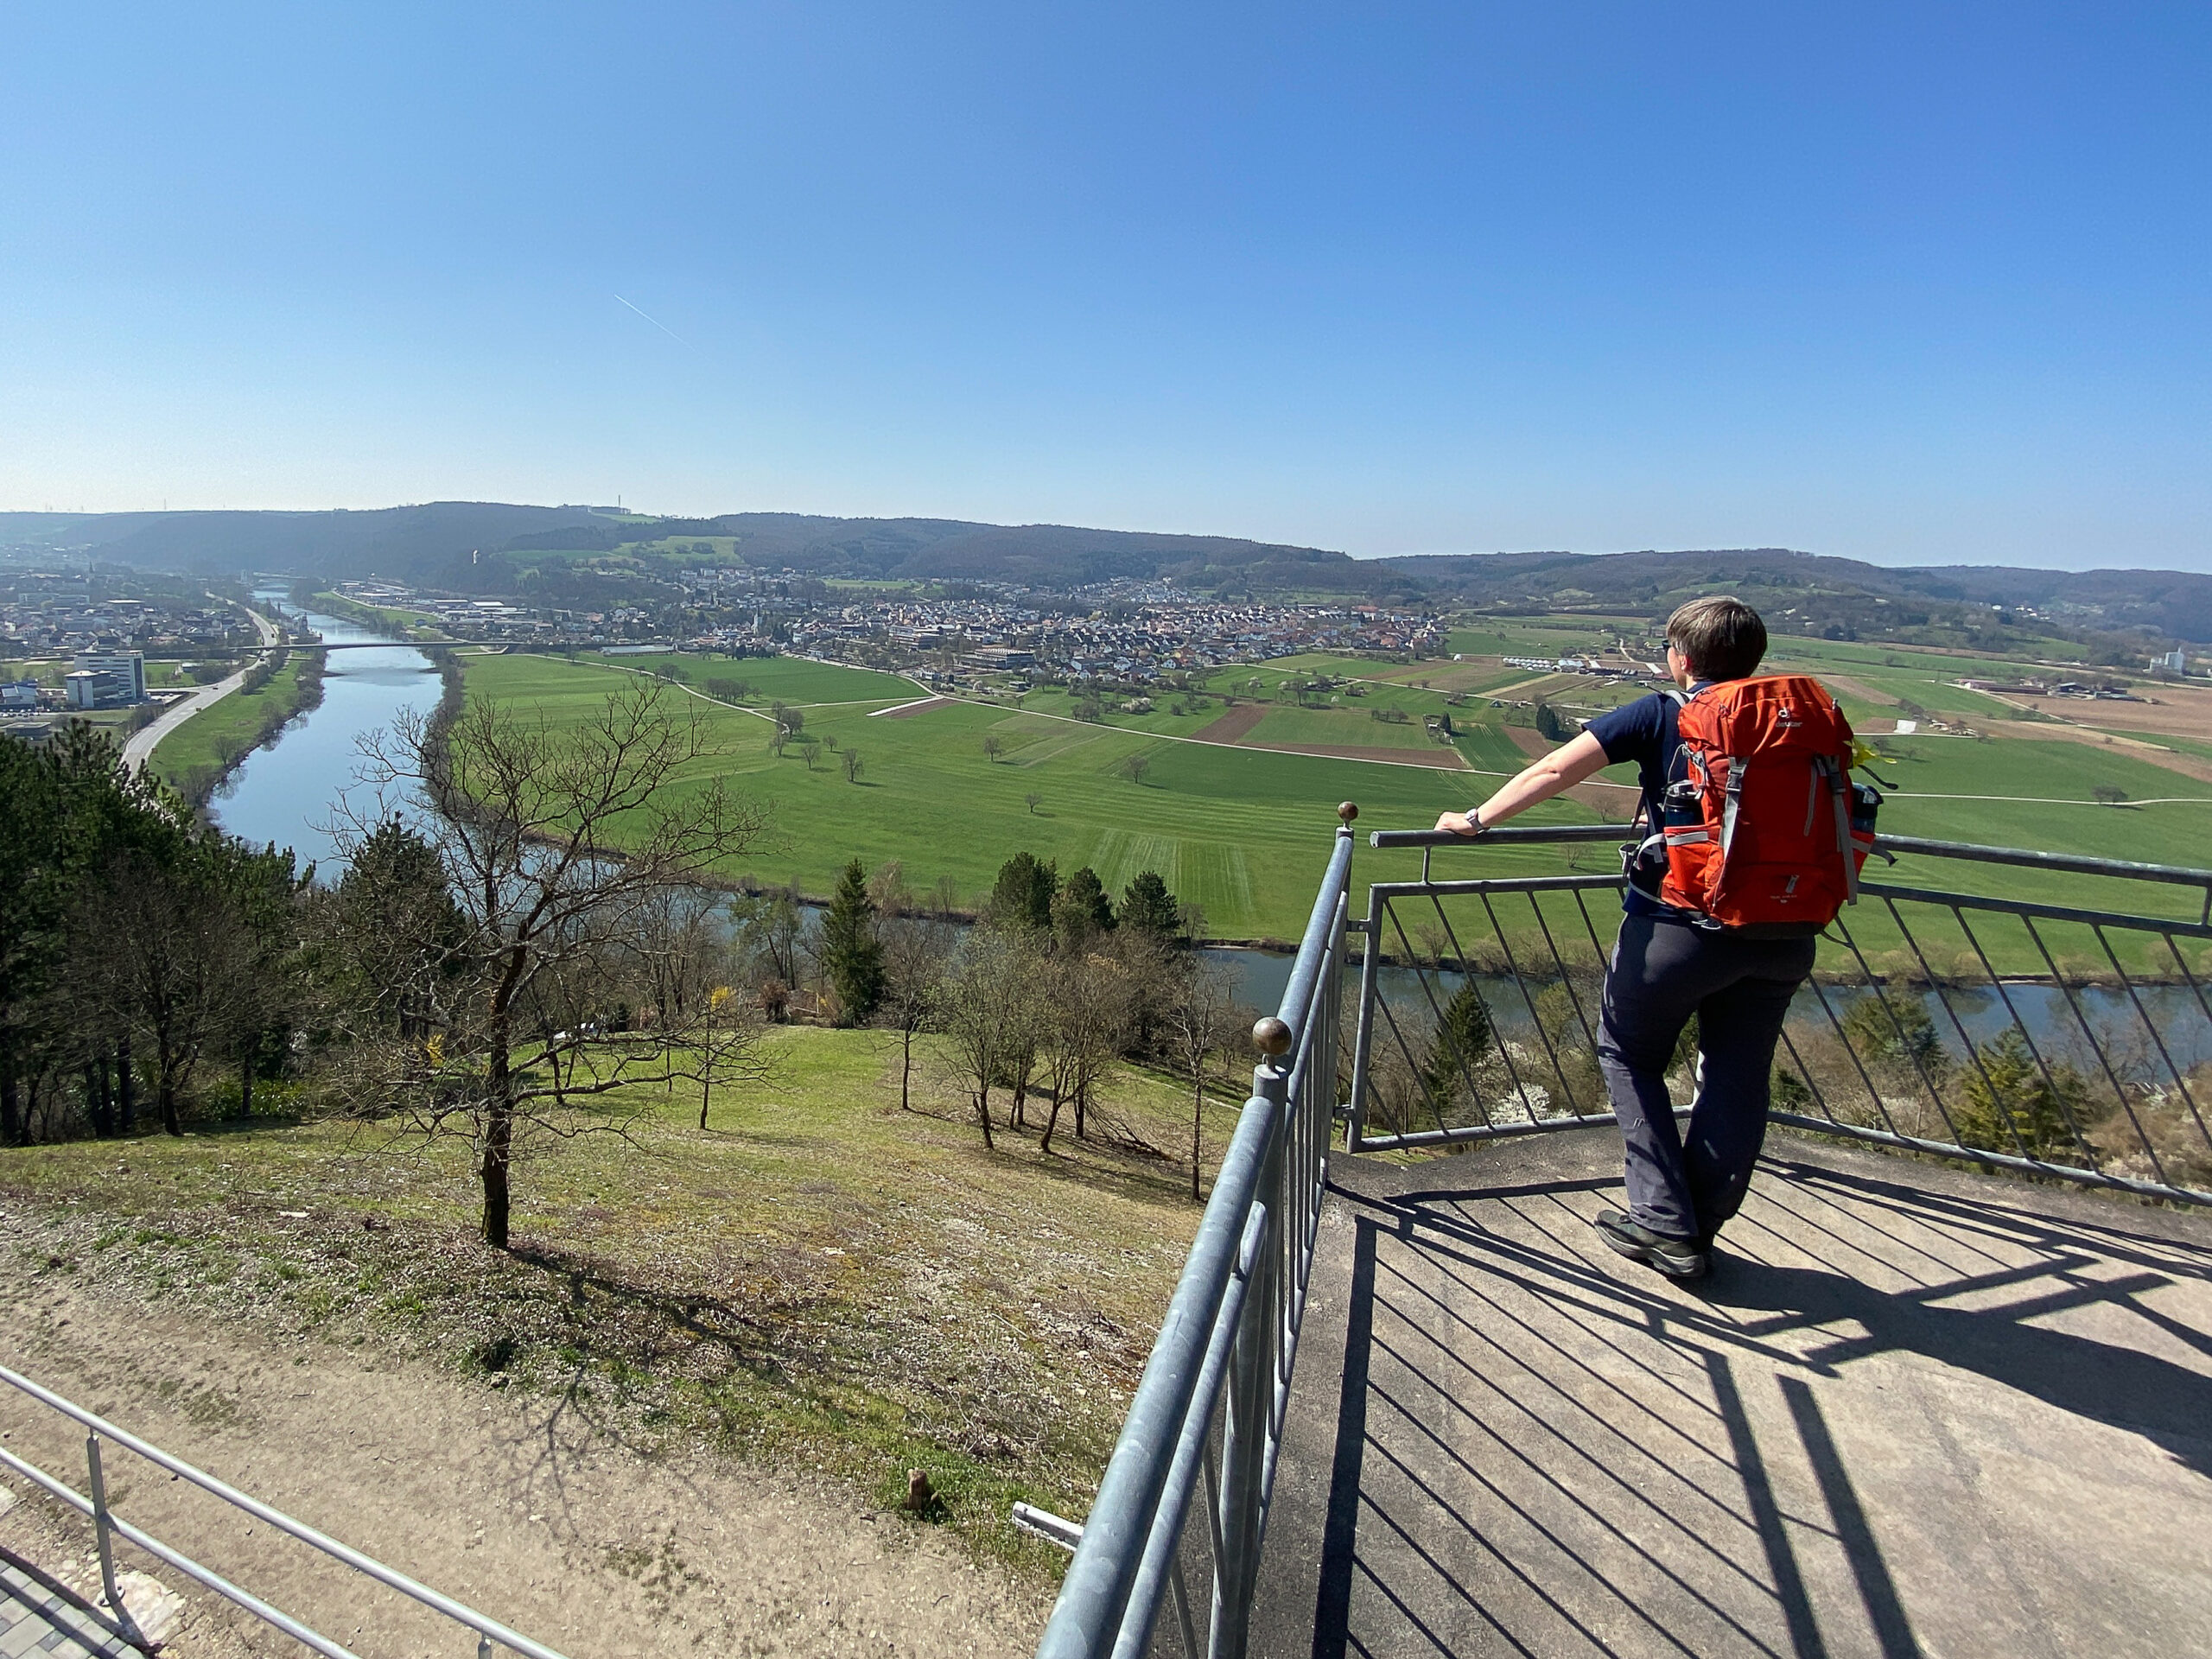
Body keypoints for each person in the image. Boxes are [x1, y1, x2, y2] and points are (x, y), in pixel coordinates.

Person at [1433, 596, 1813, 1281]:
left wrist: (1476, 817)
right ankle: (1698, 1220)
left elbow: (1554, 770)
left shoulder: (1663, 712)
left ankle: (1665, 1222)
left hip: (1682, 927)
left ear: (1681, 658)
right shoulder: (1791, 720)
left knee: (1628, 1053)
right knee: (1738, 1072)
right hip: (1788, 928)